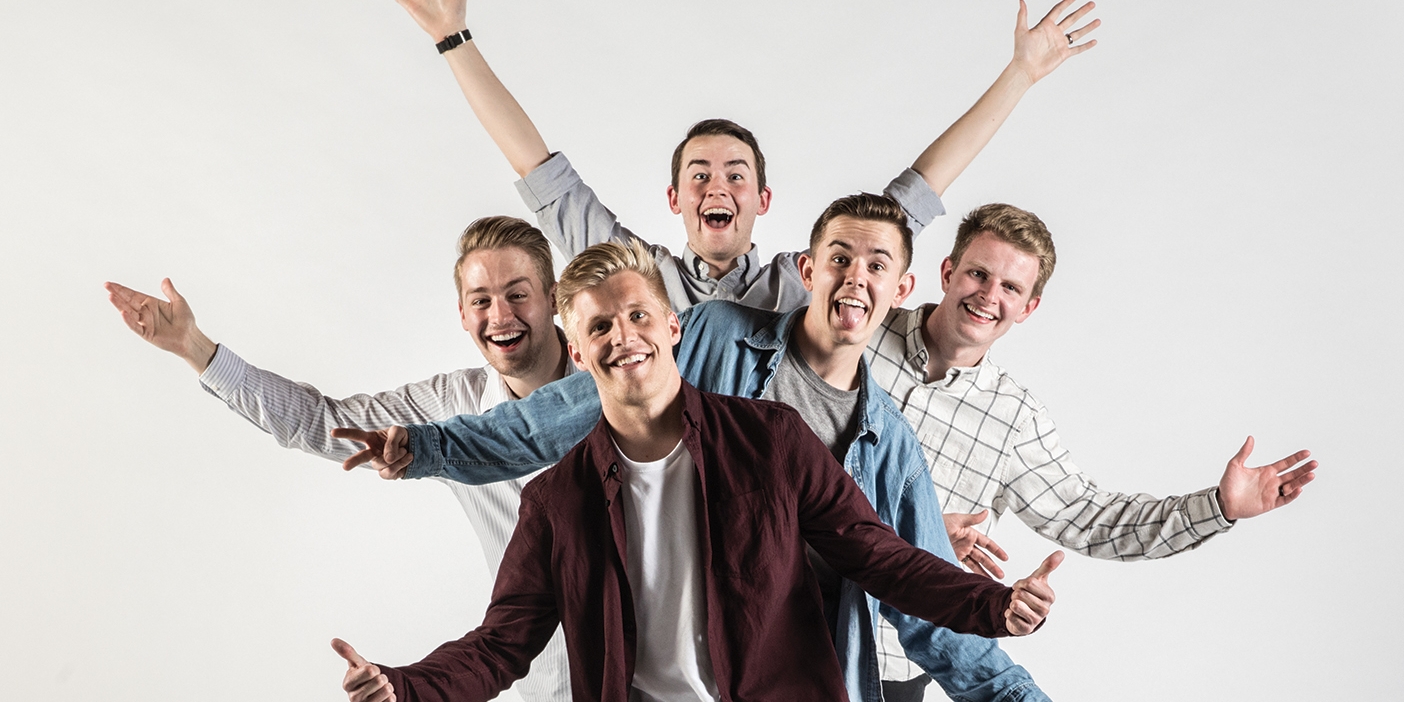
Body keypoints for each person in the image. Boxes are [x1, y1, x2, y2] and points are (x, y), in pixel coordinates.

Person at [337, 196, 1057, 702]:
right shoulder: (556, 503)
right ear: (579, 357)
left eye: (640, 315)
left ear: (674, 327)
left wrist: (995, 605)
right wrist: (406, 688)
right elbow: (502, 644)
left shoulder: (773, 441)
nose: (625, 337)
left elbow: (882, 557)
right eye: (601, 329)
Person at [104, 216, 576, 702]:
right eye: (481, 301)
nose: (499, 316)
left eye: (517, 295)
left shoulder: (621, 379)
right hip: (548, 682)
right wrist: (195, 348)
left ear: (555, 298)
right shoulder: (450, 403)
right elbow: (318, 420)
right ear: (461, 313)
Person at [862, 201, 1319, 692]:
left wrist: (1219, 506)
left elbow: (1091, 517)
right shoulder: (857, 330)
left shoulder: (1013, 420)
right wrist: (920, 538)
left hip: (891, 666)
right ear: (948, 272)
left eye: (1011, 288)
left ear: (1028, 308)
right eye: (978, 273)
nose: (989, 296)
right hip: (788, 621)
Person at [391, 0, 1099, 311]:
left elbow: (916, 192)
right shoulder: (636, 275)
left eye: (736, 174)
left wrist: (1021, 75)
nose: (715, 185)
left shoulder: (808, 282)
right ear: (676, 200)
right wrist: (454, 39)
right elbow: (540, 172)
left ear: (764, 200)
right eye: (698, 175)